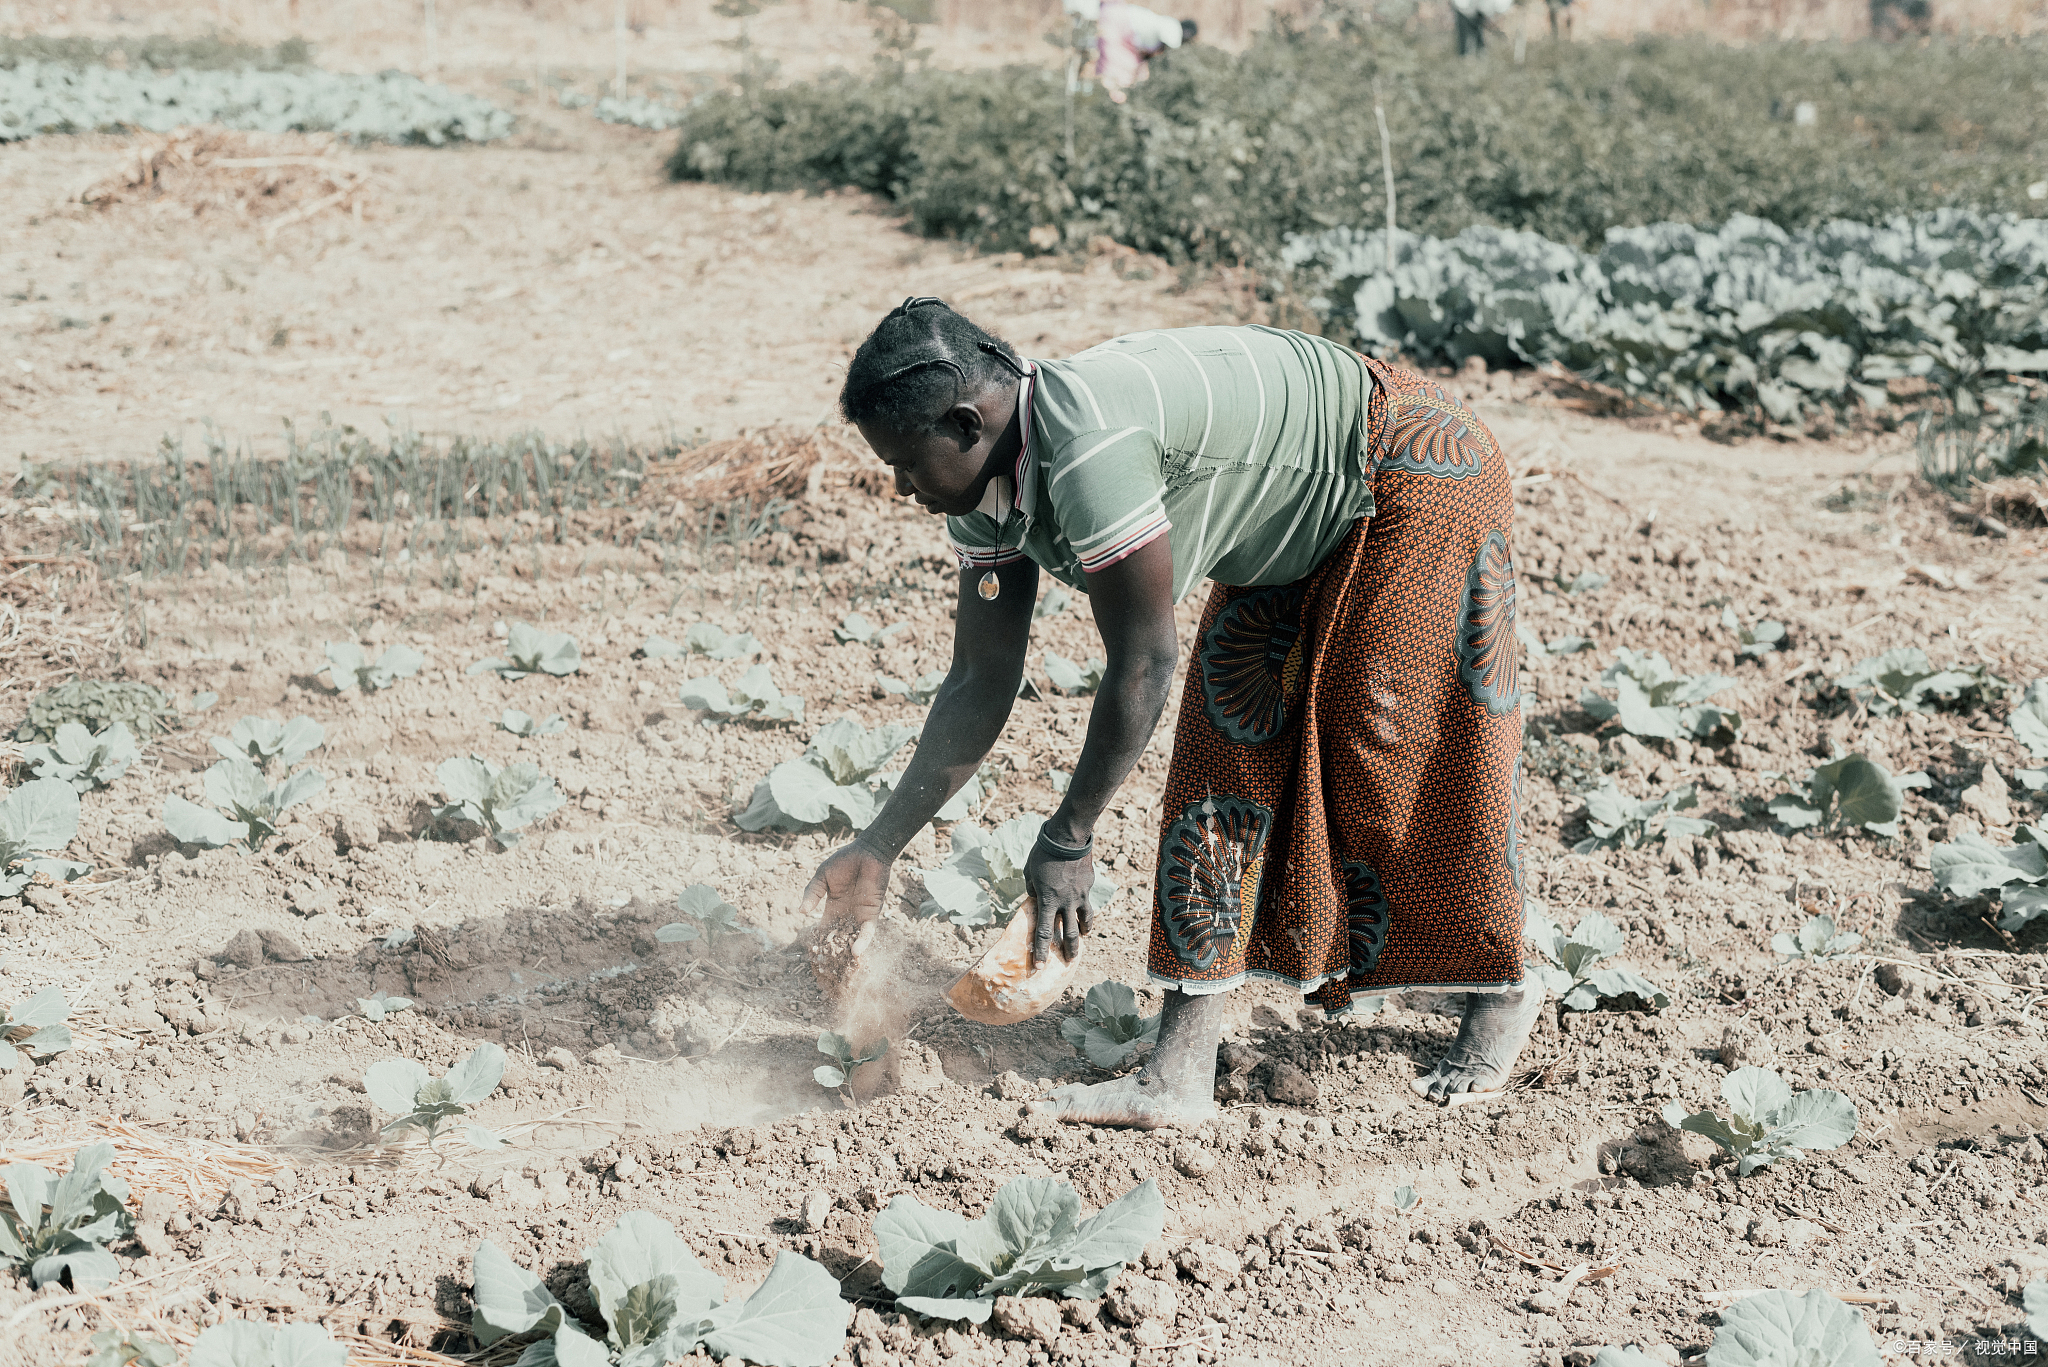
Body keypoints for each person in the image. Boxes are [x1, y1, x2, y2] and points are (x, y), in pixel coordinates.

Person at [800, 298, 1538, 1128]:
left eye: (905, 463)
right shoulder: (981, 485)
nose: (900, 487)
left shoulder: (1088, 449)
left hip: (1410, 468)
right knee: (1222, 760)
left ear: (968, 421)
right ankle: (1179, 1076)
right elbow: (979, 677)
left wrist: (1069, 835)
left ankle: (1502, 985)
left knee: (1392, 749)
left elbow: (1146, 662)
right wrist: (879, 844)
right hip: (1290, 530)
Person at [1093, 1, 1196, 104]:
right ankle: (1110, 91)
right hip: (1119, 26)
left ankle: (1109, 90)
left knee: (1125, 67)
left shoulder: (1164, 25)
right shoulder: (1172, 31)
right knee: (1121, 68)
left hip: (1117, 19)